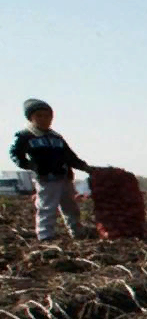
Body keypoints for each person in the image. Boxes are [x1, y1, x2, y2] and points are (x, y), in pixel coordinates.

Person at [9, 99, 92, 241]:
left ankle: (77, 232)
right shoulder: (25, 136)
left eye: (47, 116)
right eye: (39, 116)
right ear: (31, 118)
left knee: (71, 207)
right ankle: (45, 235)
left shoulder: (56, 137)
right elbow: (15, 154)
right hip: (46, 178)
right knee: (47, 207)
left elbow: (70, 156)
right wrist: (32, 166)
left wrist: (85, 167)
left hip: (64, 177)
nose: (44, 119)